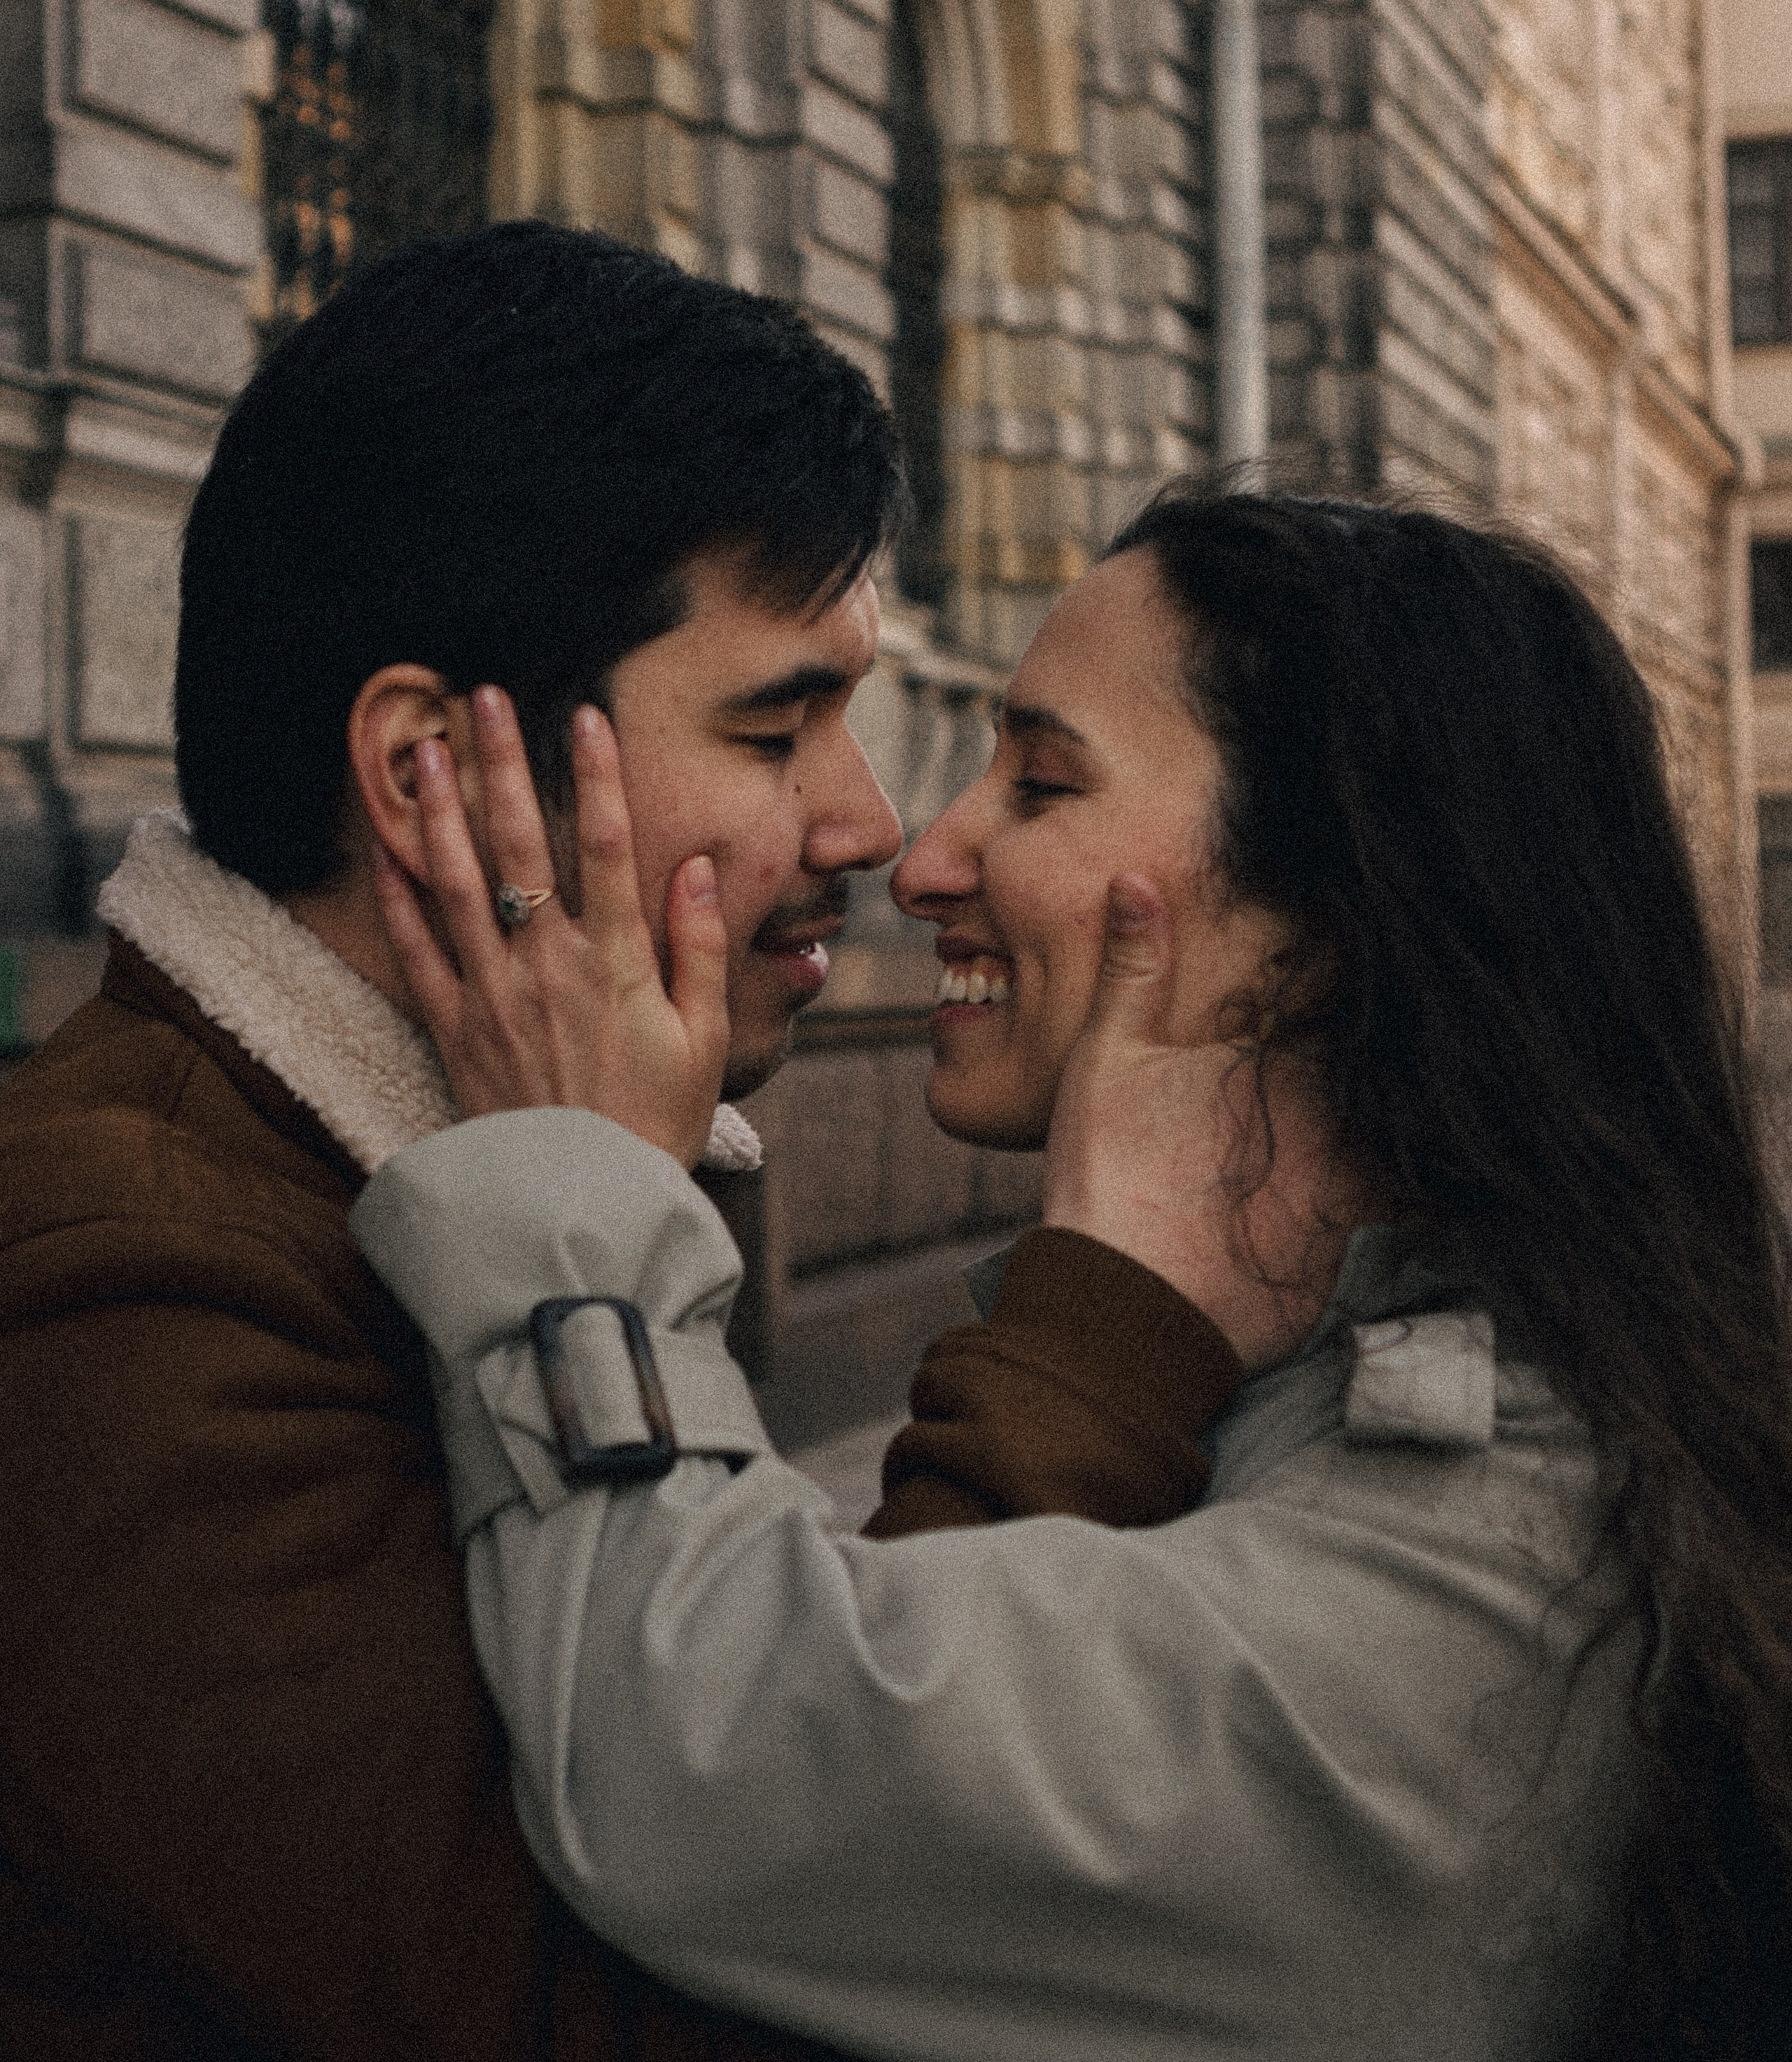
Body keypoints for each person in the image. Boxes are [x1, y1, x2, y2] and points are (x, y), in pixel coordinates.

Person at [354, 487, 1792, 2062]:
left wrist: (578, 1178)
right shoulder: (1403, 1380)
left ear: (1313, 927)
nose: (920, 856)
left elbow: (711, 1763)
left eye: (1036, 782)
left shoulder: (1494, 1569)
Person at [0, 221, 1214, 2062]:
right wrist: (1099, 1315)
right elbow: (741, 1982)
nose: (872, 822)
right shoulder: (118, 1290)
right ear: (426, 777)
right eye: (778, 723)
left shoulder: (497, 1156)